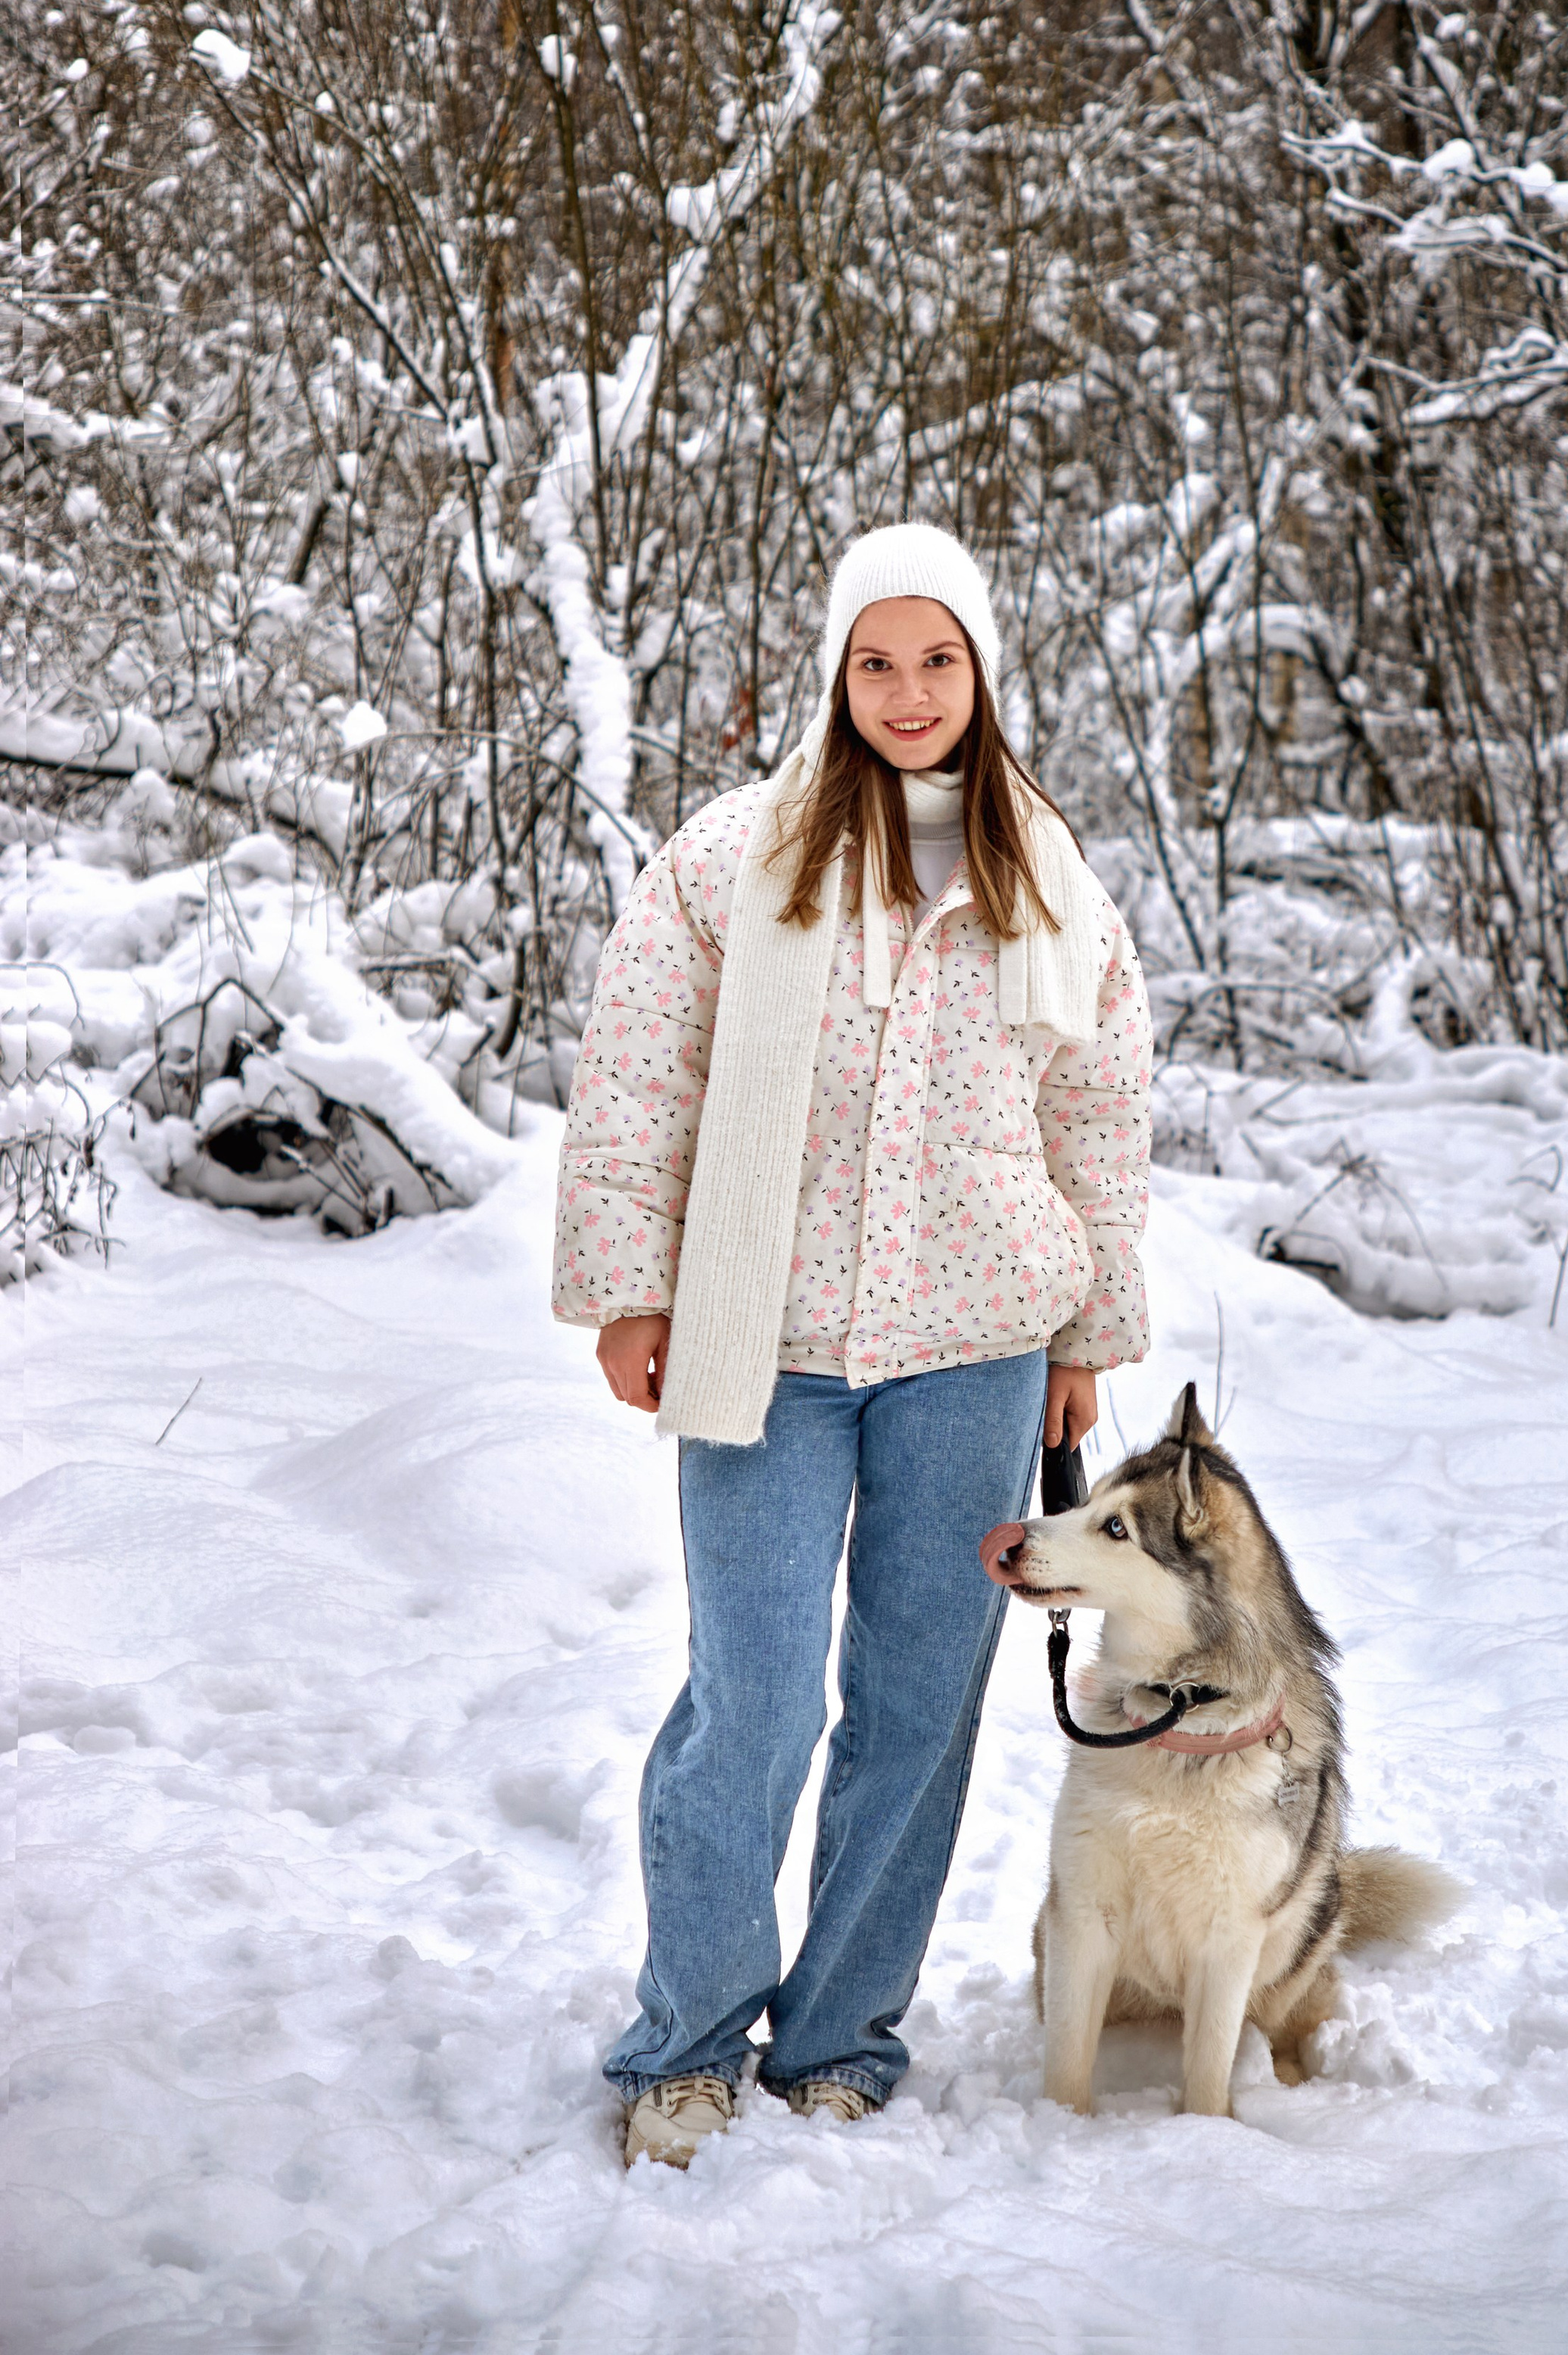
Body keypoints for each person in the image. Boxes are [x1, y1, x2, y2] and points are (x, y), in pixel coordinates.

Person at [552, 522, 1153, 2169]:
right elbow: (635, 1078)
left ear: (980, 672)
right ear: (837, 672)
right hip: (767, 1337)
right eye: (874, 663)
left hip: (976, 1347)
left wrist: (1087, 1331)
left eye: (936, 660)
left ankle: (839, 2031)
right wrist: (629, 1285)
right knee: (745, 1702)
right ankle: (684, 2042)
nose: (905, 694)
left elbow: (1095, 1116)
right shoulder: (731, 861)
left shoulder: (1050, 880)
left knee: (916, 1701)